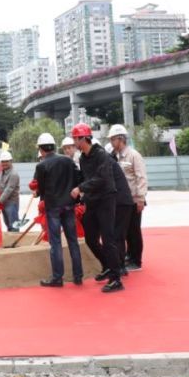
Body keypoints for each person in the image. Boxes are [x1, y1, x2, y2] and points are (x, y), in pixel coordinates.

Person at [70, 123, 124, 293]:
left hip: (106, 200)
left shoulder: (101, 155)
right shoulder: (82, 158)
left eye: (75, 139)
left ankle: (116, 278)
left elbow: (102, 178)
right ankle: (107, 265)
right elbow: (84, 177)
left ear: (83, 139)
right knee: (90, 239)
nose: (73, 142)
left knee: (108, 239)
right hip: (92, 200)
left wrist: (80, 188)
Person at [33, 133, 84, 287]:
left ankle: (57, 277)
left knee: (55, 243)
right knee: (72, 241)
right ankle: (78, 276)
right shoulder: (67, 160)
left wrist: (37, 193)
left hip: (53, 207)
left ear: (41, 149)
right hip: (69, 205)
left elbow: (40, 188)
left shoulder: (41, 166)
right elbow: (78, 179)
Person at [108, 124, 148, 272]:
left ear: (121, 139)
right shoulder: (115, 156)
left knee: (134, 231)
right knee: (125, 231)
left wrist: (140, 198)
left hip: (134, 199)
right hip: (122, 200)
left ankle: (136, 260)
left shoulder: (133, 155)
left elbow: (141, 177)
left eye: (113, 139)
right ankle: (129, 256)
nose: (111, 142)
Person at [0, 150, 20, 230]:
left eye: (6, 161)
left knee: (14, 226)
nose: (4, 163)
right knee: (8, 224)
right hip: (4, 202)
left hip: (11, 203)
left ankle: (16, 238)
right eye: (2, 161)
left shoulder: (13, 174)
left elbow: (9, 189)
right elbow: (1, 183)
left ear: (11, 161)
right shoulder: (4, 172)